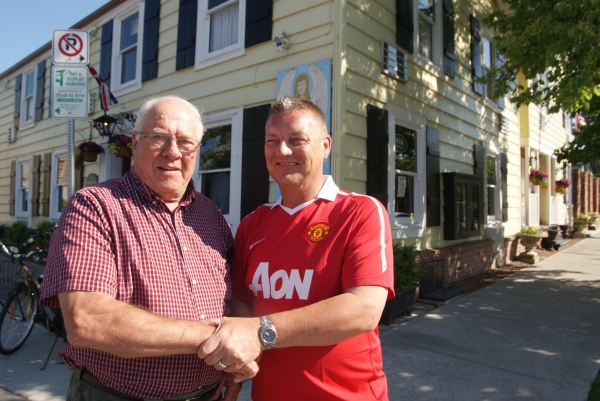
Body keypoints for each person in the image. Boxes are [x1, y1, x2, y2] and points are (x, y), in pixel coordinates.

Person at [40, 95, 256, 401]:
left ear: (197, 150)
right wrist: (218, 338)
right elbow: (87, 320)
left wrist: (232, 366)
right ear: (135, 141)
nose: (172, 152)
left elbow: (232, 296)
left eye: (185, 142)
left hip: (211, 393)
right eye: (158, 138)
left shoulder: (210, 216)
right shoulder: (95, 206)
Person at [198, 97, 394, 400]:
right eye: (272, 141)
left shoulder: (360, 211)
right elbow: (240, 301)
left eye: (296, 139)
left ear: (325, 145)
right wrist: (237, 360)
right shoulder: (252, 225)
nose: (282, 151)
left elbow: (365, 309)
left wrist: (260, 332)